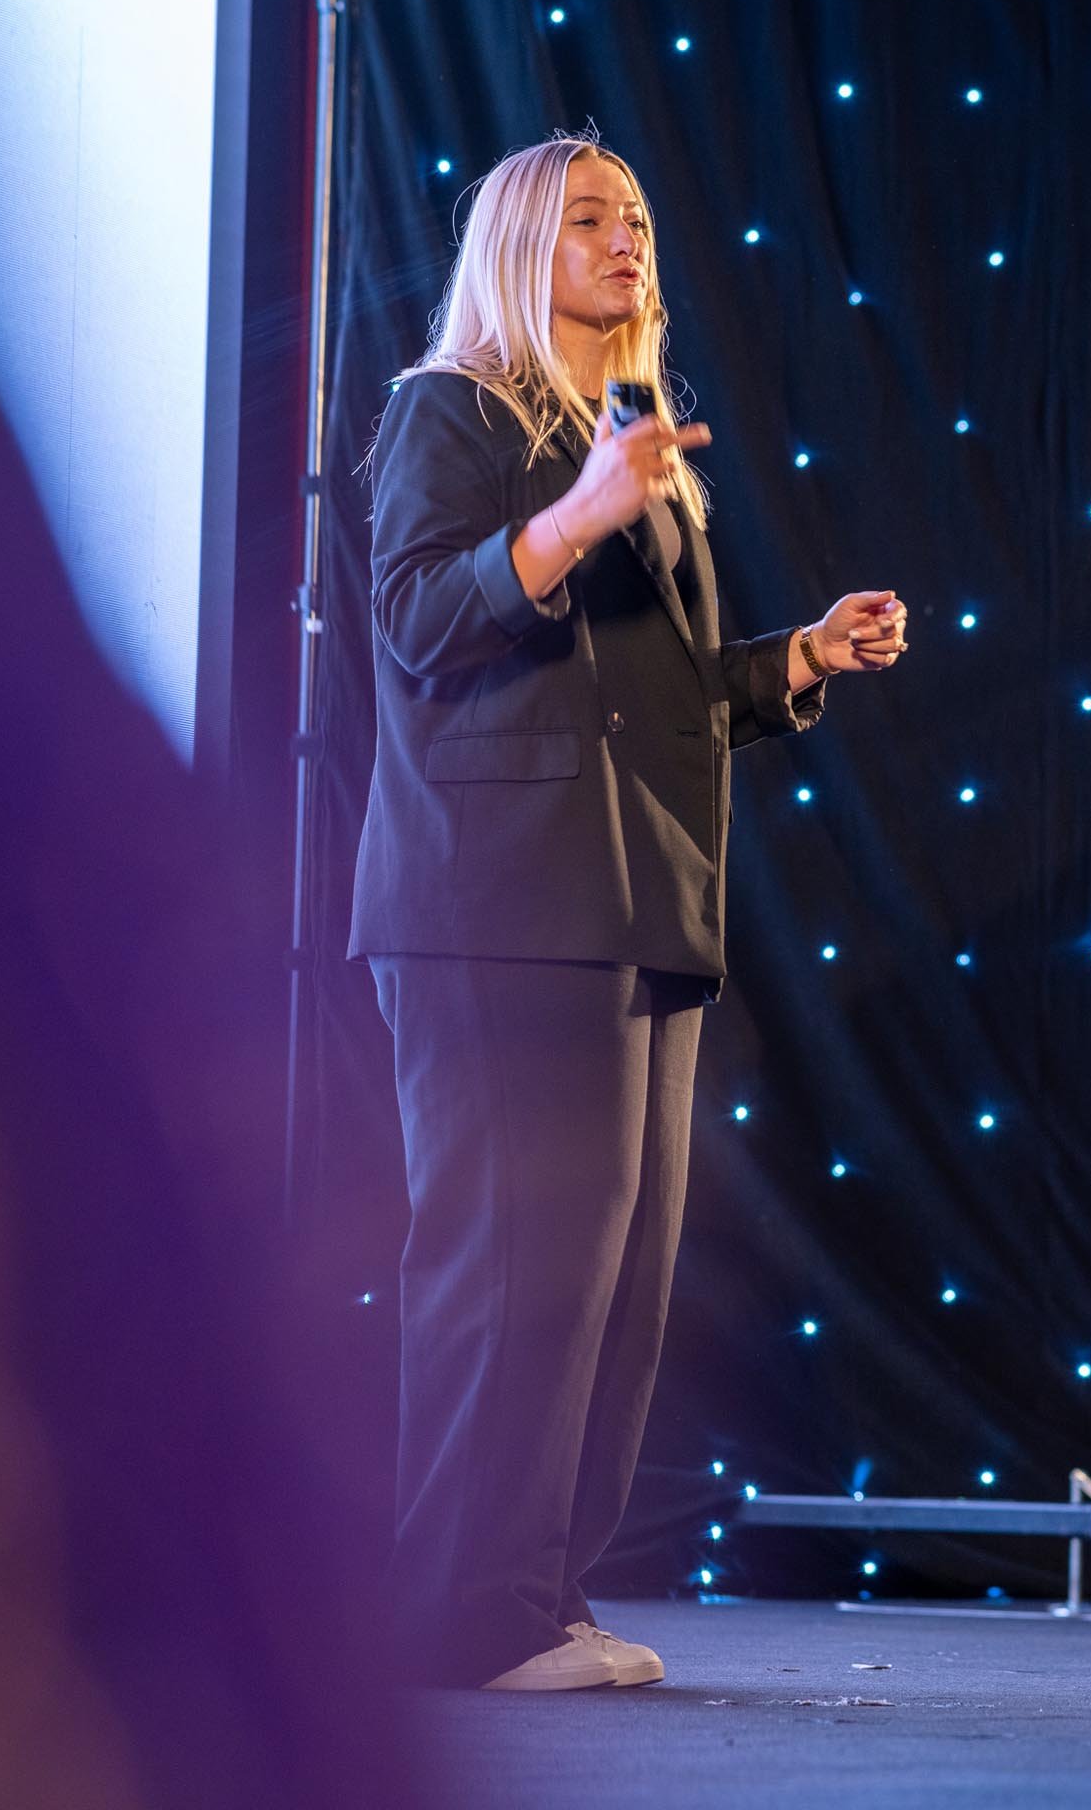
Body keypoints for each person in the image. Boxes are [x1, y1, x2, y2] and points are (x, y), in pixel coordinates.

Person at [348, 133, 908, 1694]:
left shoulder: (631, 439)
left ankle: (536, 1598)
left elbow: (656, 698)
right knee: (509, 1262)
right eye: (588, 219)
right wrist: (585, 510)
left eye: (638, 221)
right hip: (496, 901)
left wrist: (798, 657)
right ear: (519, 248)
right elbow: (415, 619)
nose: (625, 242)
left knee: (611, 1270)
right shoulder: (451, 409)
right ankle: (461, 1617)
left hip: (635, 892)